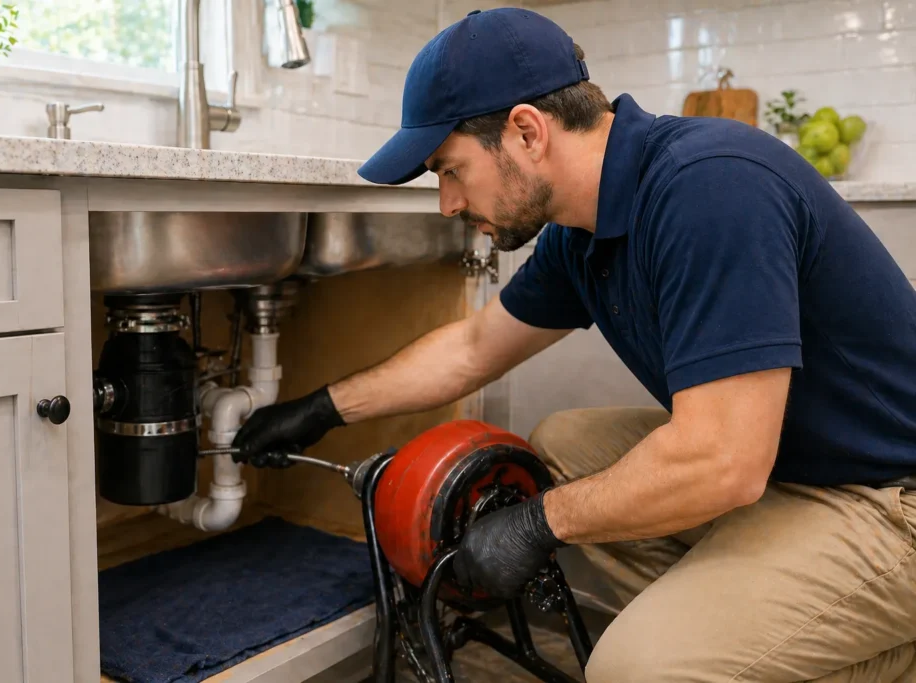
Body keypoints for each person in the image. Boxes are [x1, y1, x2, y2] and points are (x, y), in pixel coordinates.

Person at [232, 7, 916, 681]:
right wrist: (322, 406)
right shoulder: (579, 232)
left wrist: (539, 523)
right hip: (794, 470)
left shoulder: (711, 188)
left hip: (890, 497)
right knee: (562, 444)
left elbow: (724, 462)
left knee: (634, 667)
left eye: (449, 169)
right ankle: (755, 627)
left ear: (527, 131)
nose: (446, 203)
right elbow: (474, 347)